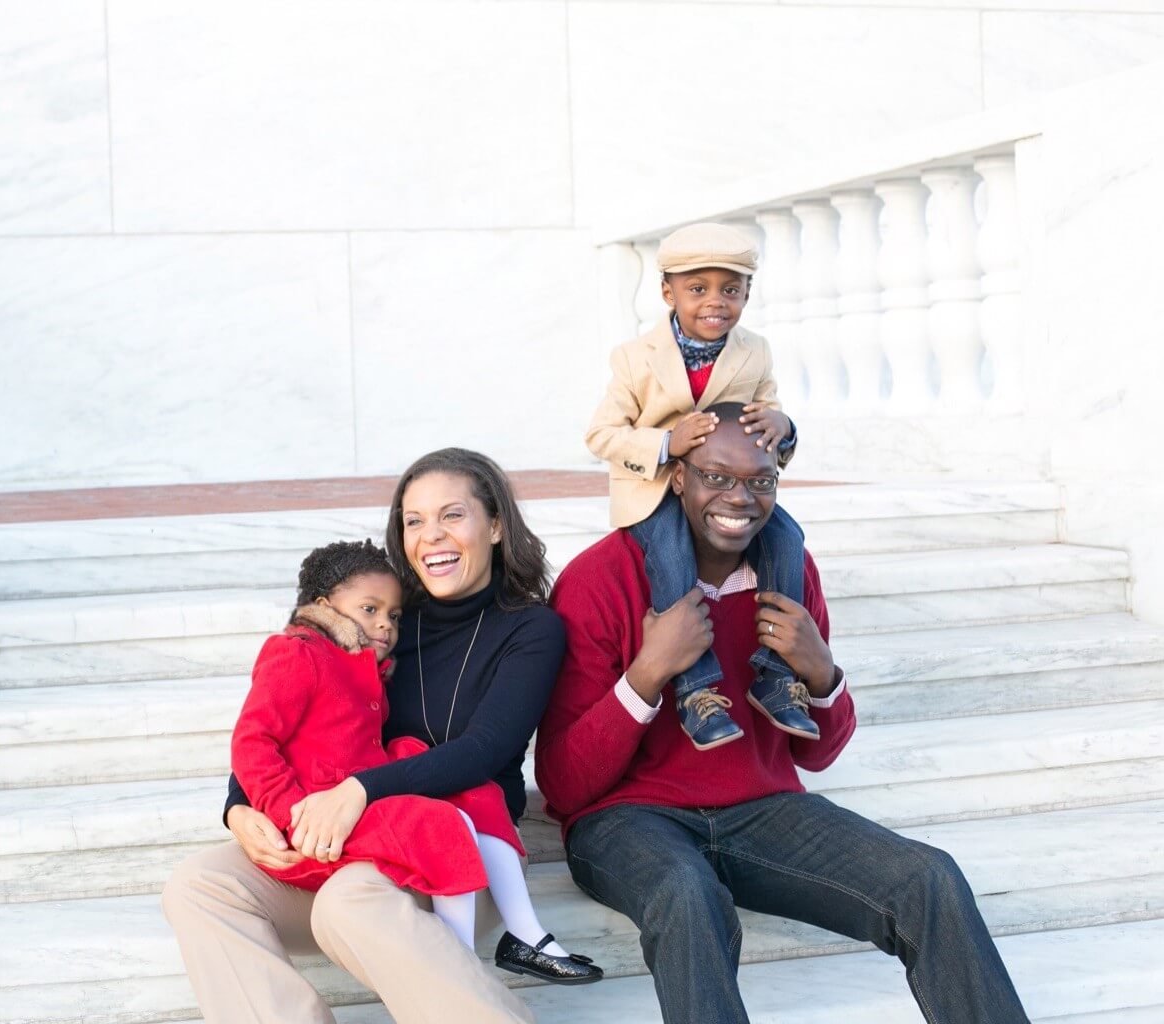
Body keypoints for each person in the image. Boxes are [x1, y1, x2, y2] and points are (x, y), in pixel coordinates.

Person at [536, 406, 1030, 1023]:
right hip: (628, 821)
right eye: (717, 476)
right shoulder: (600, 579)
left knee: (929, 877)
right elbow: (563, 783)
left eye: (761, 481)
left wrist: (820, 670)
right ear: (680, 478)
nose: (740, 498)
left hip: (763, 810)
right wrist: (648, 672)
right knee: (689, 895)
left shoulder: (789, 573)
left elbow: (815, 754)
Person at [164, 448, 576, 1024]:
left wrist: (356, 790)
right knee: (199, 884)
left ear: (497, 523)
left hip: (458, 849)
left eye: (452, 515)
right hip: (346, 840)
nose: (431, 535)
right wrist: (239, 807)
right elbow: (289, 716)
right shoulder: (380, 621)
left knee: (348, 900)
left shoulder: (531, 629)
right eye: (414, 521)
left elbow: (484, 750)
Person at [230, 538, 599, 983]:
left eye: (393, 615)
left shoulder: (366, 668)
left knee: (478, 793)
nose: (385, 625)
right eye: (369, 610)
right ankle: (458, 962)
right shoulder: (297, 653)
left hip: (356, 796)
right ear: (325, 606)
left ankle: (526, 935)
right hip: (315, 815)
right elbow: (254, 740)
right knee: (442, 825)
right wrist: (278, 810)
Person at [585, 221, 816, 751]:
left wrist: (785, 428)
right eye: (697, 289)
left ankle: (777, 676)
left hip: (723, 487)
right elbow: (601, 434)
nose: (716, 302)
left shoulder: (754, 351)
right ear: (668, 292)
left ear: (747, 294)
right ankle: (695, 691)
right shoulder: (633, 358)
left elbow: (768, 413)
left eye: (730, 290)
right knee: (669, 556)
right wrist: (667, 442)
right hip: (658, 488)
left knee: (787, 539)